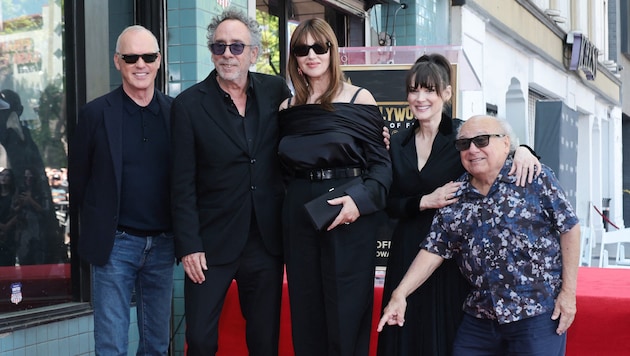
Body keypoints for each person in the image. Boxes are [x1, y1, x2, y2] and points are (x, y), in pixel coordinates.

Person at [377, 53, 542, 356]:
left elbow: (501, 148)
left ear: (446, 94)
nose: (420, 98)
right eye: (414, 90)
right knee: (404, 330)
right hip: (407, 247)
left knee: (445, 332)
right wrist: (425, 202)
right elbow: (388, 204)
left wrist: (526, 151)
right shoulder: (397, 143)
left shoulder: (463, 135)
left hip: (452, 253)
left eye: (429, 90)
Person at [378, 115, 580, 356]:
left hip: (535, 313)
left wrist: (568, 294)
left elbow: (570, 228)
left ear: (506, 144)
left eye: (482, 140)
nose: (472, 150)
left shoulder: (534, 177)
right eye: (464, 144)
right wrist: (400, 294)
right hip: (481, 317)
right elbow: (434, 249)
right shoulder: (456, 194)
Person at [169, 9, 291, 355]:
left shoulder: (275, 91)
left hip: (265, 241)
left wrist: (370, 136)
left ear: (254, 53)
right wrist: (189, 244)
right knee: (202, 339)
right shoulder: (189, 105)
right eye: (219, 46)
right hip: (210, 243)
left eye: (236, 47)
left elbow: (305, 137)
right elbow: (181, 182)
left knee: (264, 340)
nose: (227, 54)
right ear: (211, 51)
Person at [277, 18, 392, 356]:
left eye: (319, 47)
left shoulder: (359, 98)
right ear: (294, 57)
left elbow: (382, 168)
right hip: (299, 212)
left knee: (347, 308)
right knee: (306, 308)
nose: (311, 54)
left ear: (332, 51)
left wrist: (359, 202)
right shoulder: (287, 108)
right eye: (302, 48)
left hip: (349, 211)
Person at [69, 25, 175, 355]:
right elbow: (79, 181)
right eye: (131, 56)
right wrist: (102, 224)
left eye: (148, 56)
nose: (140, 64)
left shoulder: (177, 113)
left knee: (157, 344)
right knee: (111, 344)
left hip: (163, 245)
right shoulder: (95, 114)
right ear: (118, 61)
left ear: (158, 61)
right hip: (116, 244)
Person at [0, 168, 17, 266]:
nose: (3, 178)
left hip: (10, 235)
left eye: (7, 175)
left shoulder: (15, 196)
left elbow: (19, 214)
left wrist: (7, 226)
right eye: (2, 175)